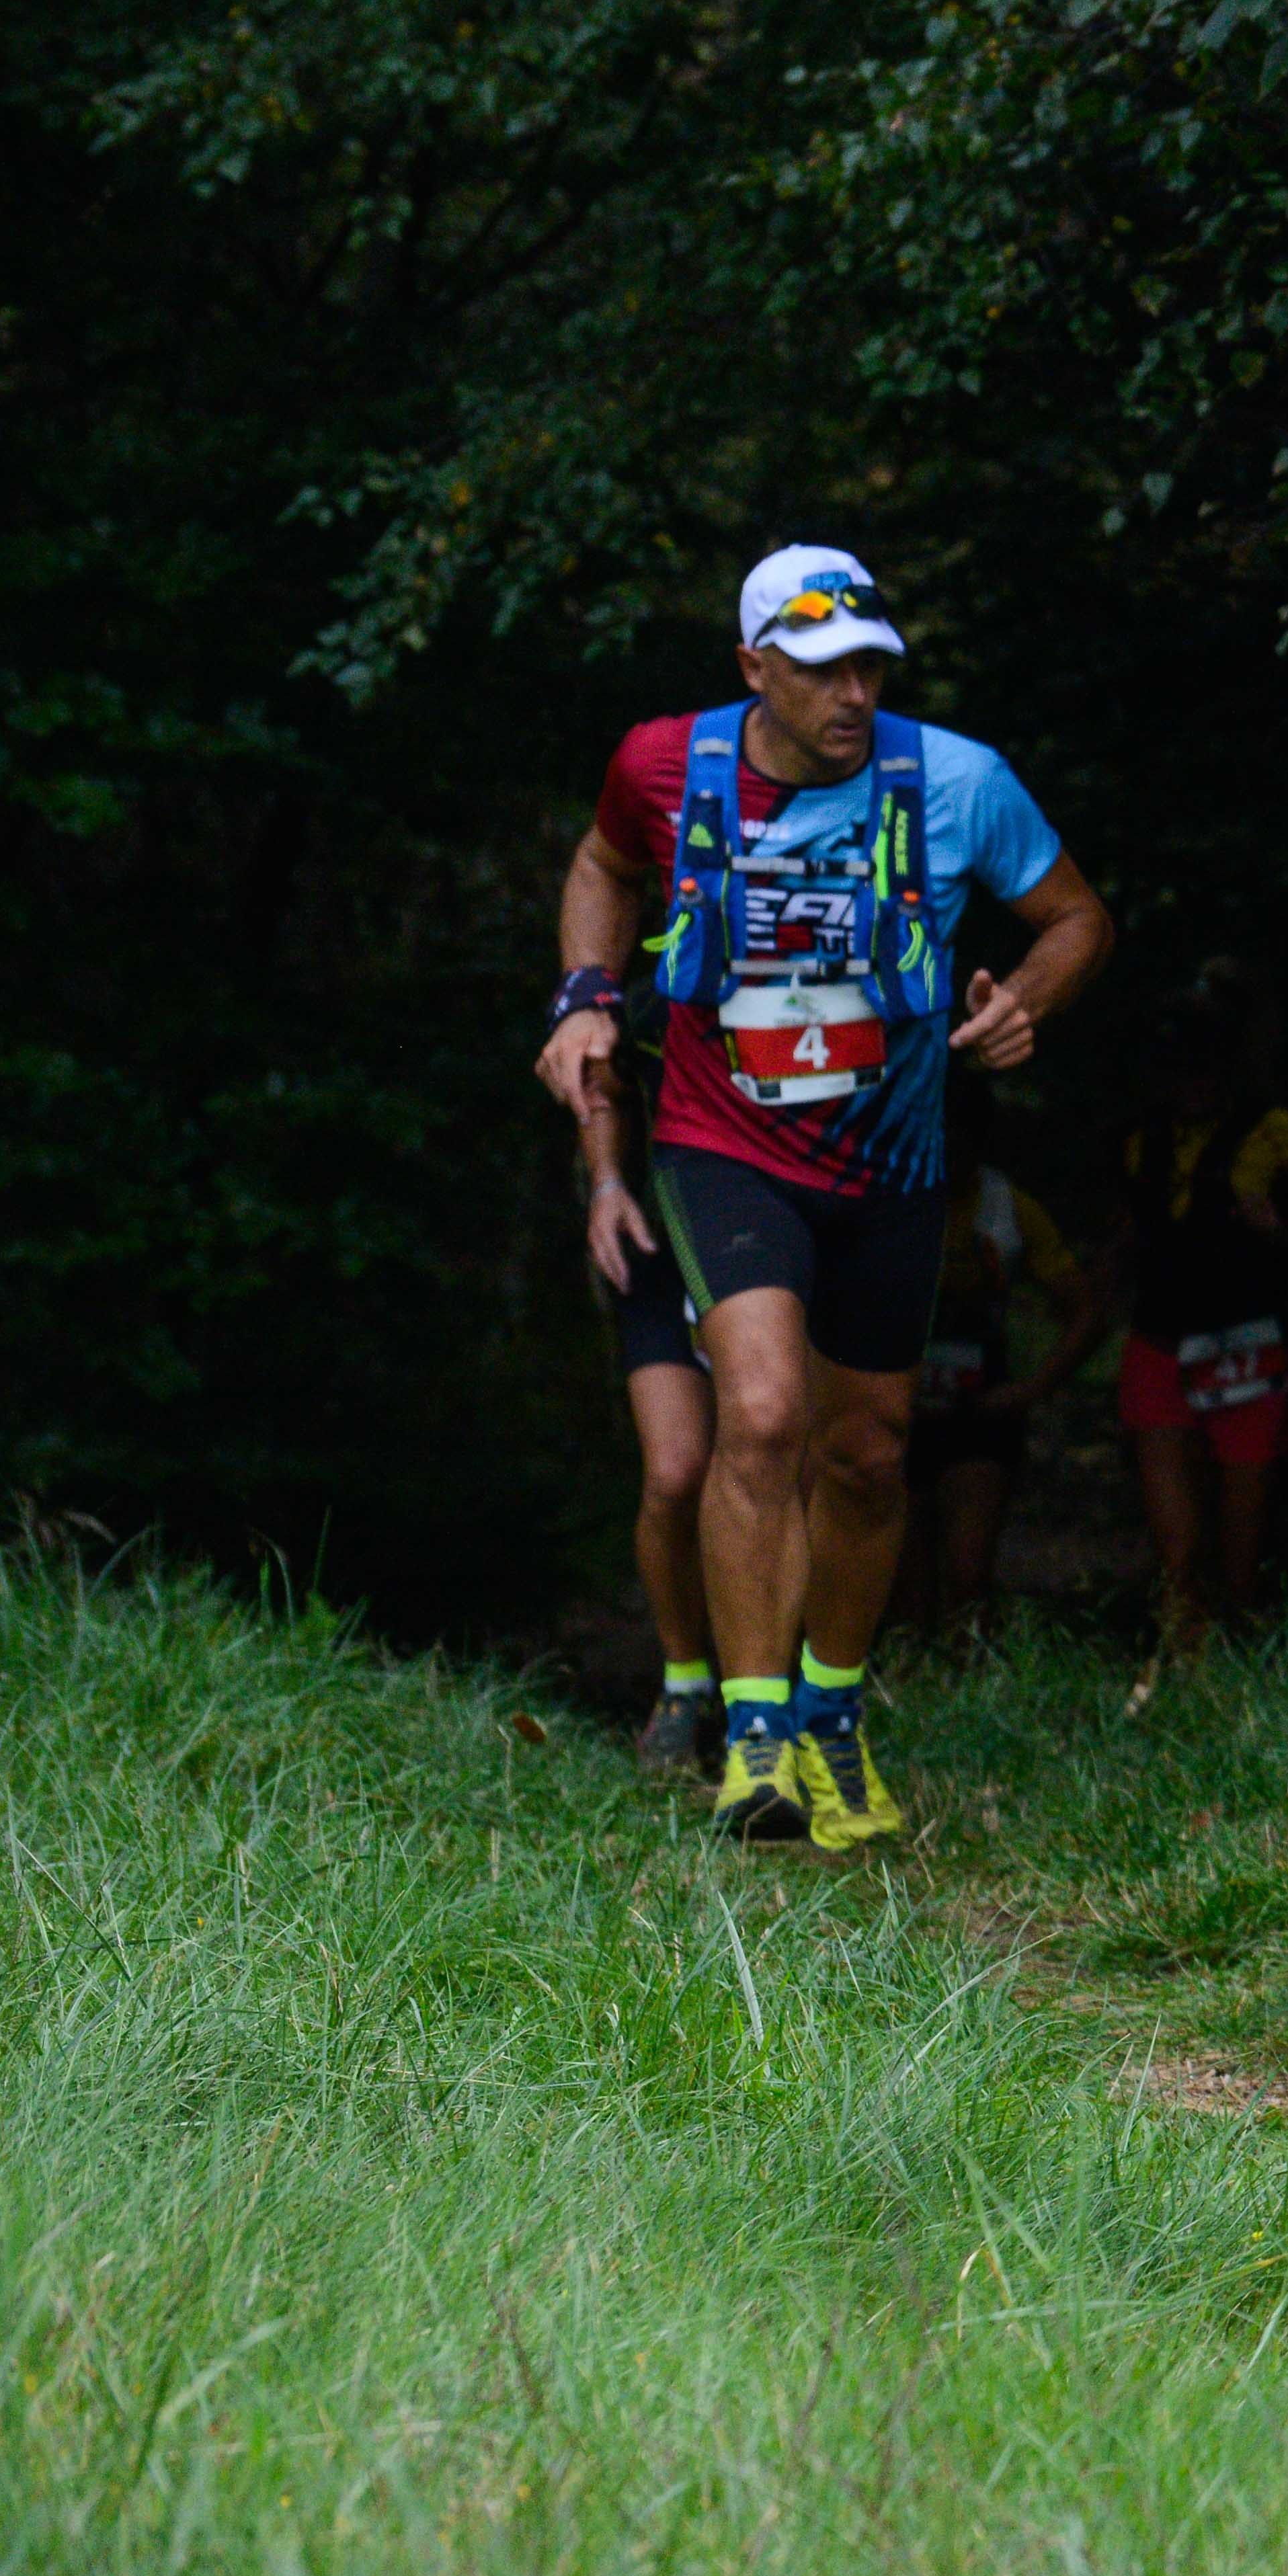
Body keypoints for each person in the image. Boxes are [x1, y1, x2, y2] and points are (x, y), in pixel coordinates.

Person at [534, 545, 1113, 1850]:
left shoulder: (959, 781)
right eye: (820, 669)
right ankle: (754, 1741)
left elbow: (1078, 918)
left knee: (866, 1453)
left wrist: (1028, 999)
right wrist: (584, 997)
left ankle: (831, 1717)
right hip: (719, 1142)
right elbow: (603, 866)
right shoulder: (664, 764)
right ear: (755, 668)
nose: (853, 693)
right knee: (761, 1411)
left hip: (892, 1166)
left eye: (870, 666)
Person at [1113, 978, 1288, 1640]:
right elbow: (1129, 1237)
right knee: (1179, 1545)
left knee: (1242, 1545)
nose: (1192, 1082)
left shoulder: (1274, 1131)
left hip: (1245, 1347)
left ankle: (1244, 1647)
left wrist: (1286, 1233)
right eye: (1179, 1068)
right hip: (1160, 1342)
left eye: (1204, 1065)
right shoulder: (1142, 1139)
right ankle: (1185, 1657)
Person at [895, 1088, 1109, 1636]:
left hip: (980, 1408)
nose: (947, 1151)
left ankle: (974, 1672)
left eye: (958, 1139)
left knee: (968, 1573)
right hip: (900, 1408)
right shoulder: (889, 1196)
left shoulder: (1007, 1207)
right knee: (906, 1583)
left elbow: (1087, 1311)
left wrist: (1030, 1390)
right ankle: (913, 1677)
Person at [579, 1051, 728, 1777]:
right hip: (661, 1238)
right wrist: (608, 1181)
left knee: (780, 1461)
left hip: (771, 1228)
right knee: (675, 1474)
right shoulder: (641, 999)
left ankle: (780, 1689)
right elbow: (596, 1076)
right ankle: (684, 1681)